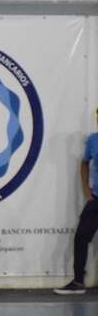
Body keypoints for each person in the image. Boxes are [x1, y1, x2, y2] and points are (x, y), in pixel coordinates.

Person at [54, 108, 98, 295]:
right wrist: (86, 188)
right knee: (81, 237)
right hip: (96, 199)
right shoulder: (93, 140)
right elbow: (84, 163)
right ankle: (78, 281)